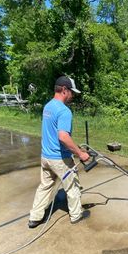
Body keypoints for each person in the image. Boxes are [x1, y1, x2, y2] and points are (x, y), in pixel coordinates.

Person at [28, 75, 90, 228]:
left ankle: (34, 218)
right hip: (60, 159)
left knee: (45, 186)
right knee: (73, 187)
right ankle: (76, 216)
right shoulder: (64, 111)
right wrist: (80, 154)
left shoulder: (48, 106)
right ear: (64, 90)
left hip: (45, 157)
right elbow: (63, 137)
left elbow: (54, 133)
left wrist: (76, 148)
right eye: (71, 92)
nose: (72, 95)